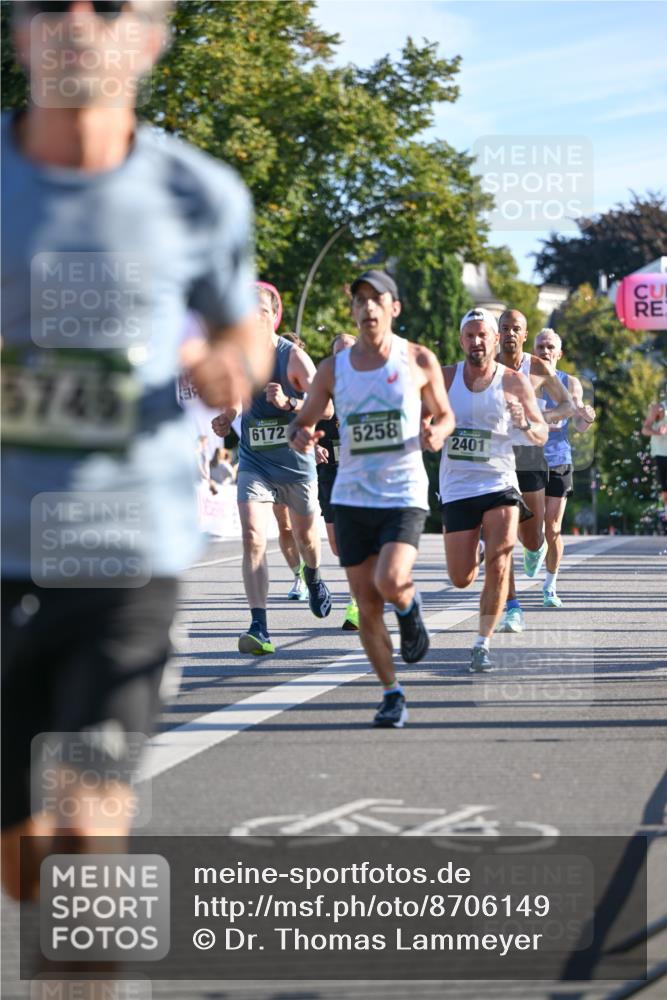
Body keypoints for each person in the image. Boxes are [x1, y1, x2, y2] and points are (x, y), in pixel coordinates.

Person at [1, 0, 268, 903]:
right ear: (19, 32)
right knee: (24, 859)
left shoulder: (199, 193)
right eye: (51, 4)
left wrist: (226, 364)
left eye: (109, 6)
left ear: (149, 38)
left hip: (126, 556)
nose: (79, 21)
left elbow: (243, 331)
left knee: (88, 825)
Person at [289, 269, 454, 727]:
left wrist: (436, 434)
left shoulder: (418, 359)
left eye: (376, 299)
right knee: (365, 604)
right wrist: (300, 434)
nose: (367, 308)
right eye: (359, 300)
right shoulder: (332, 369)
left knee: (390, 577)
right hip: (352, 495)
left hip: (402, 491)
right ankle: (391, 692)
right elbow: (303, 420)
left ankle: (409, 605)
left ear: (394, 308)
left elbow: (446, 416)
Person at [212, 285, 334, 655]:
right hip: (255, 462)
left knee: (307, 541)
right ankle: (259, 626)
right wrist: (229, 415)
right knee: (253, 536)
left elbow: (326, 408)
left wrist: (289, 401)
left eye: (261, 310)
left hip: (296, 464)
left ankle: (313, 577)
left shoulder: (293, 357)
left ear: (273, 315)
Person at [440, 309, 547, 671]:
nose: (477, 342)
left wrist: (523, 423)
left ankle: (481, 644)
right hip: (456, 486)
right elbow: (422, 418)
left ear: (496, 339)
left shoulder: (514, 381)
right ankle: (478, 551)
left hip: (500, 481)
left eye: (483, 335)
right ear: (461, 341)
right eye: (469, 336)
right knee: (461, 577)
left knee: (501, 560)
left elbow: (540, 433)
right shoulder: (445, 378)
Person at [496, 309, 574, 632]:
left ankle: (537, 546)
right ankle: (512, 607)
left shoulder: (537, 367)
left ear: (524, 335)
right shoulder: (484, 364)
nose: (510, 333)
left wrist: (541, 418)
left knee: (531, 538)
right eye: (505, 328)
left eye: (516, 328)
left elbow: (568, 405)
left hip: (530, 455)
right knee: (500, 538)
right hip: (496, 456)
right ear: (497, 333)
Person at [534, 328, 596, 606]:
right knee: (531, 528)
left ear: (559, 353)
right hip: (527, 460)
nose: (544, 351)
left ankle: (550, 586)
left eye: (550, 347)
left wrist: (587, 417)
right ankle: (533, 550)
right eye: (540, 347)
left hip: (559, 459)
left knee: (553, 527)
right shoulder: (522, 379)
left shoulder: (570, 383)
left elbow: (580, 425)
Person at [315, 332, 360, 630]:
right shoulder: (321, 388)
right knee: (337, 545)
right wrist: (311, 445)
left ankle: (356, 603)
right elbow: (301, 423)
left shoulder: (370, 388)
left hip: (361, 474)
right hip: (330, 472)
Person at [641, 398, 667, 527]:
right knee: (664, 488)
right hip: (661, 453)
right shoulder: (659, 409)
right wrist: (657, 432)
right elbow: (645, 429)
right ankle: (663, 513)